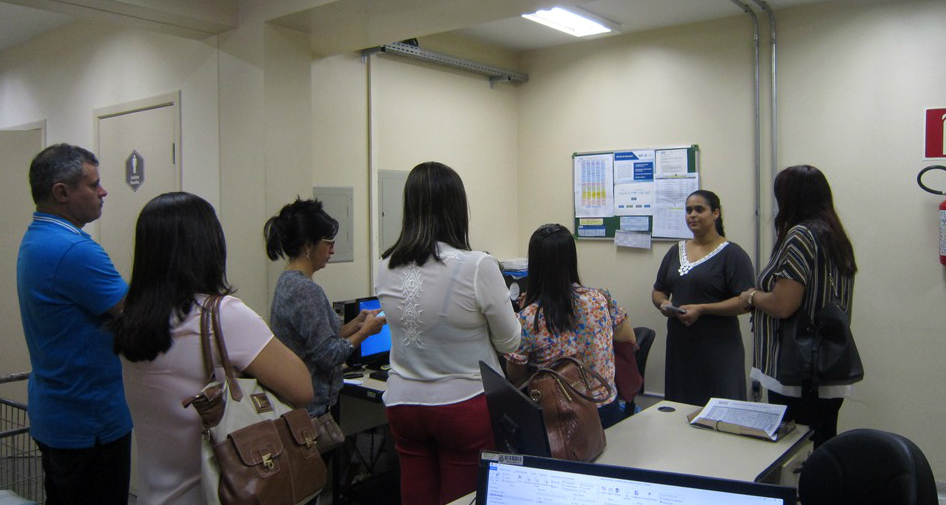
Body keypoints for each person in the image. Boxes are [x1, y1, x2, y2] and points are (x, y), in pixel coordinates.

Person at [113, 192, 313, 504]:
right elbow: (302, 388)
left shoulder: (132, 320)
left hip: (152, 494)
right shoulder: (221, 316)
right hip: (214, 494)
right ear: (209, 246)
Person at [375, 161, 521, 505]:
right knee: (462, 498)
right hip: (462, 406)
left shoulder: (386, 265)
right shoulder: (477, 265)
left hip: (403, 404)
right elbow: (511, 341)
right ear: (457, 208)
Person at [16, 144, 132, 505]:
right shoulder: (73, 249)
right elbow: (137, 316)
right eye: (93, 184)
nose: (103, 192)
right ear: (61, 192)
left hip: (58, 412)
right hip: (89, 421)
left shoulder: (37, 237)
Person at [739, 165, 857, 448]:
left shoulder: (801, 235)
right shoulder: (834, 235)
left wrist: (752, 296)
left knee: (793, 452)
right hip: (823, 364)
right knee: (822, 444)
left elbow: (783, 304)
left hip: (797, 368)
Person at [505, 223, 637, 429]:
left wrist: (528, 311)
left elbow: (517, 377)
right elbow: (629, 338)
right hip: (608, 411)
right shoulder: (599, 299)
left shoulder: (528, 318)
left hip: (565, 421)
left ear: (535, 266)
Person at [263, 198, 384, 417]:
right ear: (308, 246)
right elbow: (329, 355)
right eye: (329, 243)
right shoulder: (305, 290)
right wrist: (367, 332)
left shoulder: (288, 281)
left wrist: (356, 324)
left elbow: (322, 339)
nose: (333, 251)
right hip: (311, 413)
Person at [652, 190, 755, 406]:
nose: (692, 215)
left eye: (699, 209)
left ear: (716, 213)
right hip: (681, 349)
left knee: (719, 411)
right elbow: (659, 290)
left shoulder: (732, 254)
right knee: (680, 410)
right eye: (689, 210)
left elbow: (745, 302)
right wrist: (663, 303)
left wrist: (702, 309)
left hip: (718, 350)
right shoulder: (675, 251)